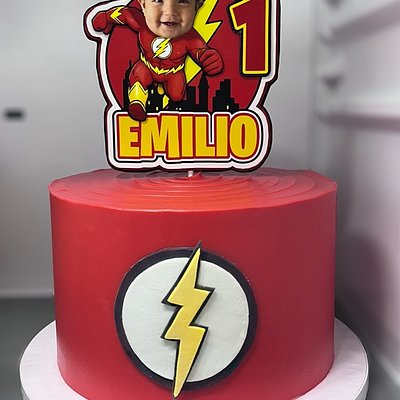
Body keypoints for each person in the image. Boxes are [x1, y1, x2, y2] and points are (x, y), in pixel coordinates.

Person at [93, 0, 224, 121]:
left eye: (183, 1)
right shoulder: (141, 23)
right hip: (147, 66)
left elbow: (201, 53)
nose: (169, 12)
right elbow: (125, 14)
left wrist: (210, 61)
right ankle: (137, 102)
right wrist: (106, 17)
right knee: (139, 76)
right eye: (158, 0)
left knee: (177, 96)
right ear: (143, 4)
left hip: (173, 72)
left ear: (197, 6)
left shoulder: (190, 38)